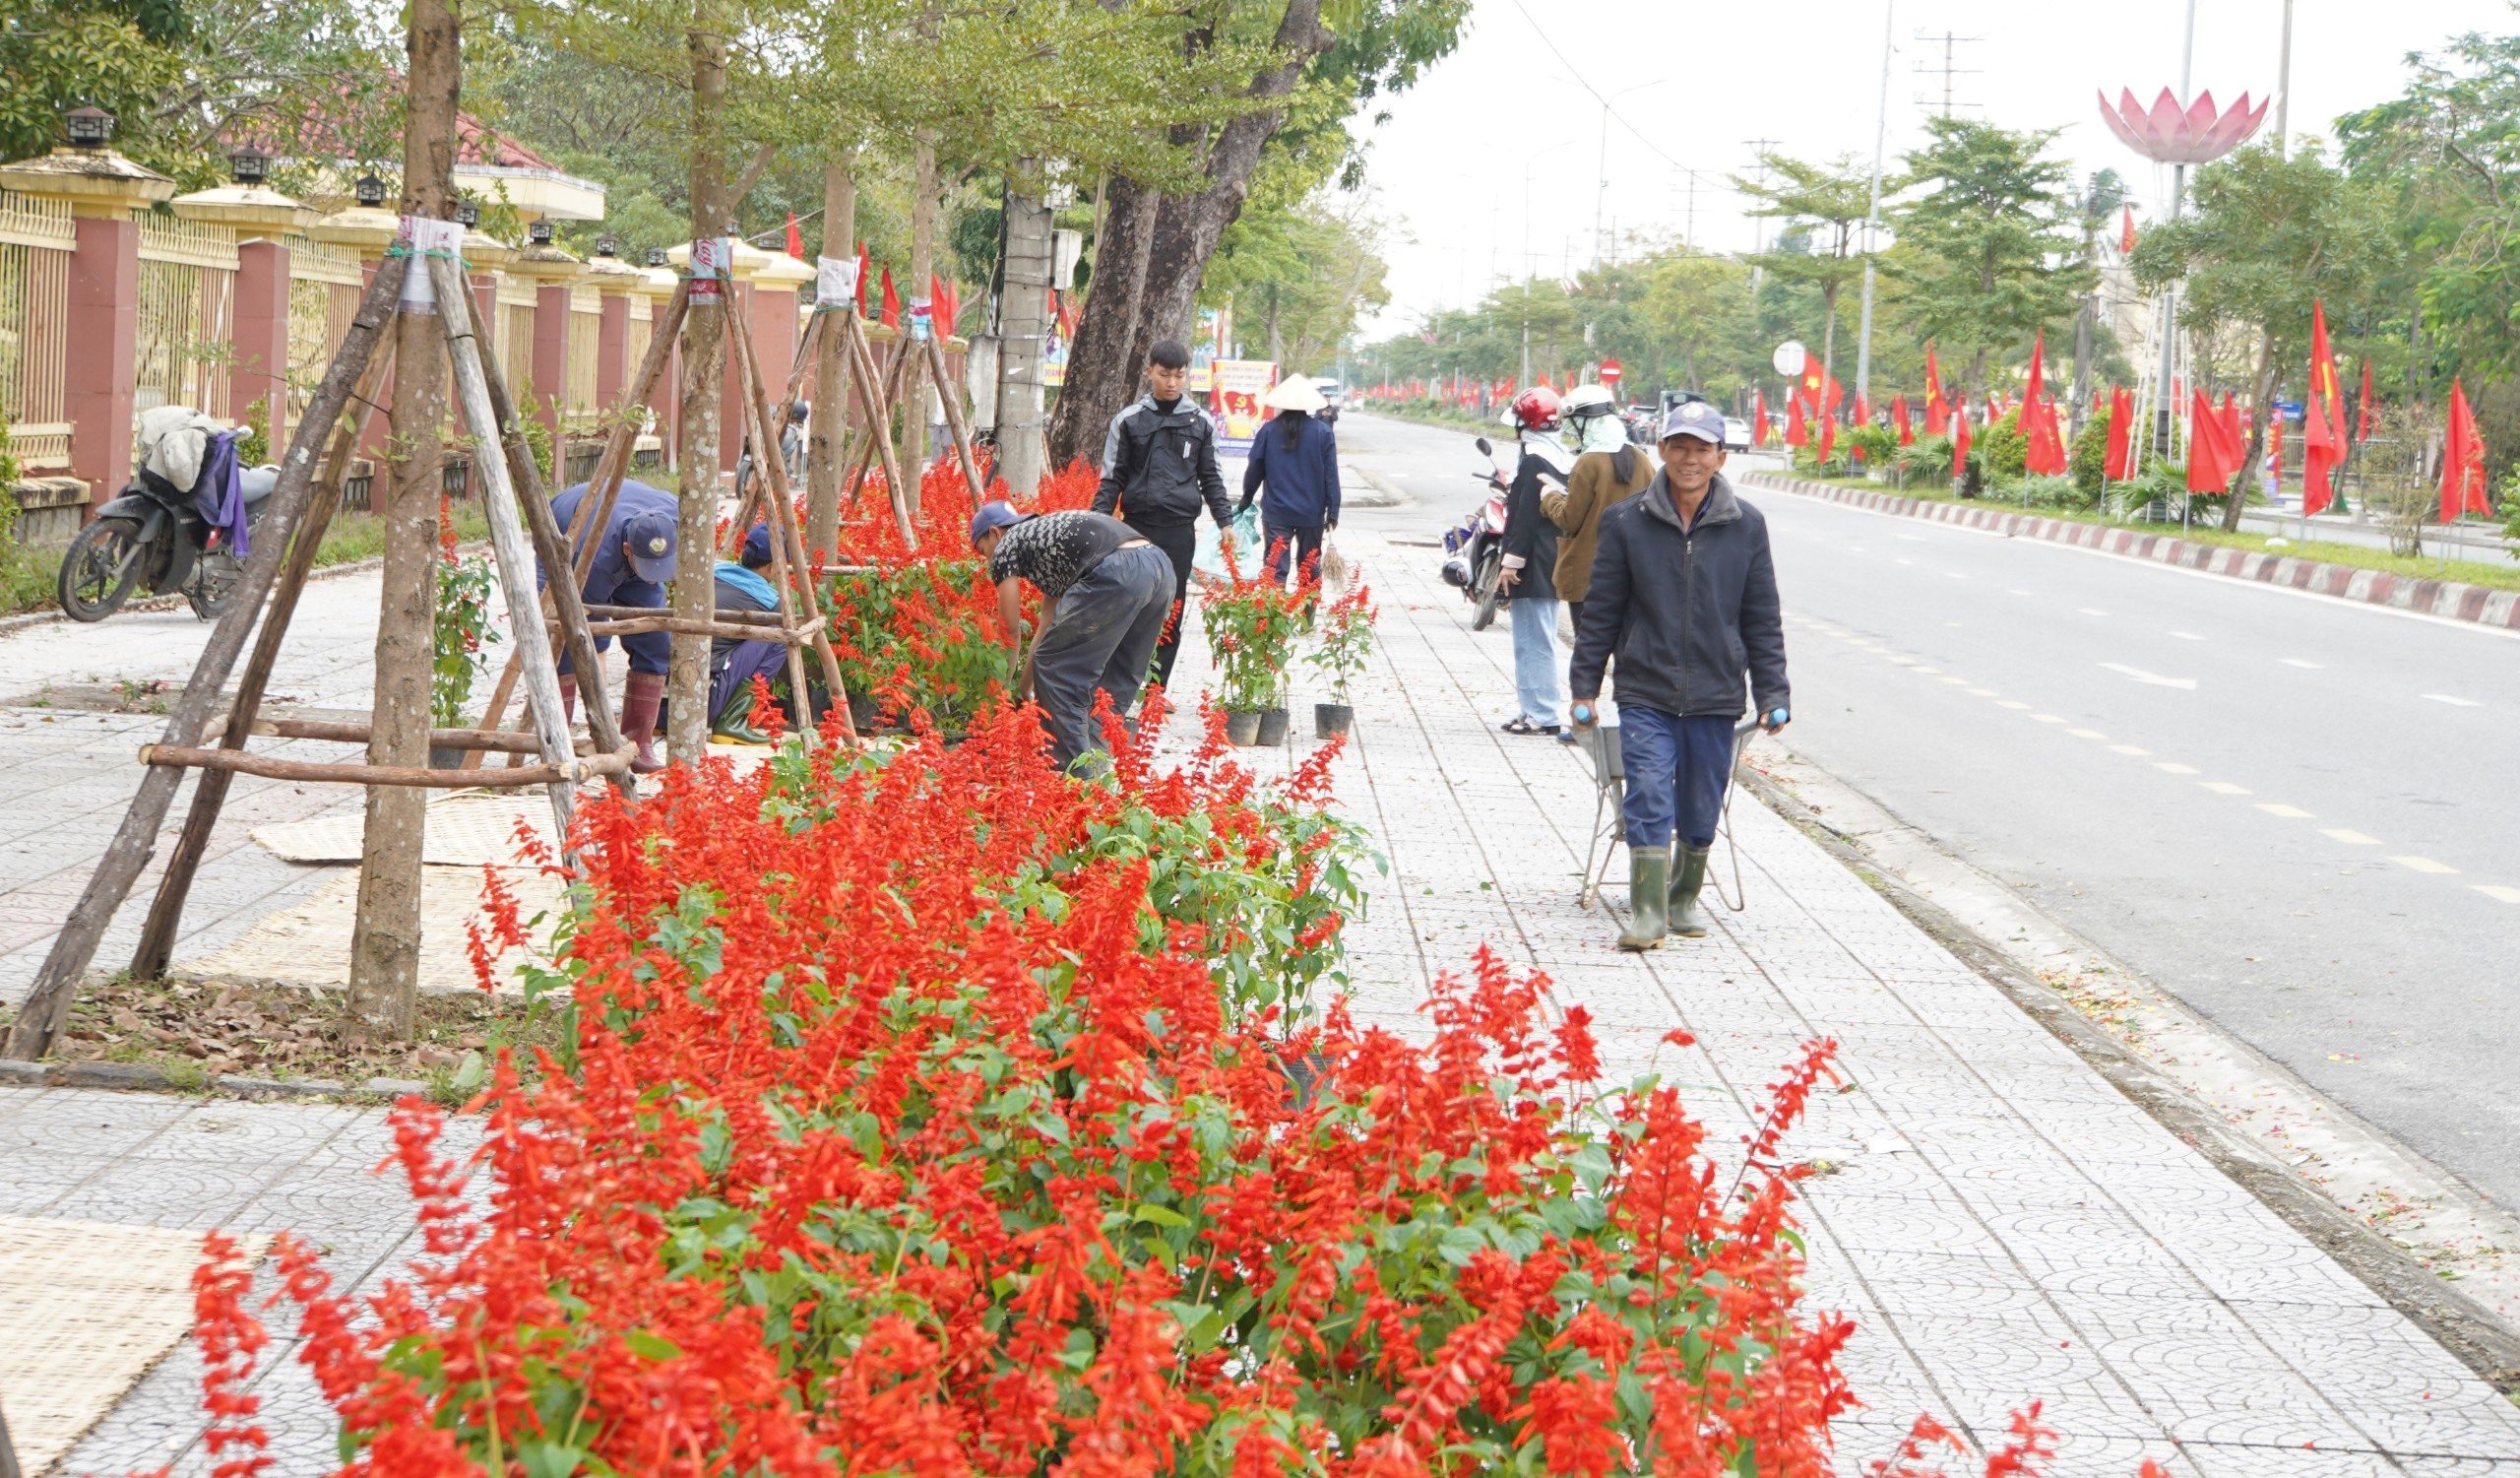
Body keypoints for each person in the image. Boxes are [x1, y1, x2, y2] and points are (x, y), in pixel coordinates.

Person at [1569, 400, 1791, 951]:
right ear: (1662, 450)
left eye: (1702, 450)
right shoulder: (1626, 521)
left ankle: (1683, 896)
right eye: (1680, 447)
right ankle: (1647, 911)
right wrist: (1584, 688)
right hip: (1646, 686)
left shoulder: (1746, 526)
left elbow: (1761, 615)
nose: (1690, 460)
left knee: (1701, 800)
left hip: (1716, 690)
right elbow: (1601, 611)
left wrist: (1772, 692)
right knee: (1647, 790)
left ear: (1720, 457)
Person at [972, 501, 1175, 773]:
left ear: (994, 533)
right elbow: (1047, 630)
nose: (987, 559)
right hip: (1158, 565)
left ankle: (1074, 775)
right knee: (1116, 674)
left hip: (1118, 569)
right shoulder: (1048, 542)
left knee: (1060, 672)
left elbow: (1010, 631)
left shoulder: (1006, 546)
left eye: (983, 551)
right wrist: (1022, 691)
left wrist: (1002, 694)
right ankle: (1095, 764)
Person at [1093, 339, 1233, 687]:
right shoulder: (1128, 421)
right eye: (1164, 374)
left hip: (1179, 531)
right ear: (1149, 372)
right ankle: (1120, 687)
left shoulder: (1201, 423)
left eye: (1179, 376)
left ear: (1187, 376)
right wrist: (1097, 524)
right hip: (1135, 530)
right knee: (1129, 604)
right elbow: (1112, 478)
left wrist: (1225, 522)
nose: (1172, 383)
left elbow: (1212, 477)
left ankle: (1157, 690)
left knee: (1172, 609)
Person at [546, 479, 678, 773]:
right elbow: (589, 636)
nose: (654, 577)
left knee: (656, 640)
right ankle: (557, 740)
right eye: (649, 568)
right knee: (566, 642)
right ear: (628, 549)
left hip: (626, 544)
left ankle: (637, 743)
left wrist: (649, 569)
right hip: (565, 533)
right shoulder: (594, 557)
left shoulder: (680, 516)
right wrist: (598, 707)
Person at [1544, 384, 1656, 636]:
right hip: (1632, 574)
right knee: (1625, 650)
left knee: (1589, 649)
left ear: (1586, 422)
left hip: (1588, 575)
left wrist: (1548, 497)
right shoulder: (1641, 458)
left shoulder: (1588, 462)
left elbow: (1569, 519)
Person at [1496, 385, 1572, 738]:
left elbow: (1524, 517)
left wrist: (1510, 563)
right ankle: (1533, 709)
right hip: (1552, 559)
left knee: (1533, 641)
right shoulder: (1562, 458)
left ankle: (1542, 712)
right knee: (1536, 638)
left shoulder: (1533, 461)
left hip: (1532, 563)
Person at [1238, 376, 1342, 587]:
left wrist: (1246, 498)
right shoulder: (1323, 432)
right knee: (1310, 570)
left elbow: (1255, 468)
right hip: (1311, 512)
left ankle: (1274, 608)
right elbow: (1331, 475)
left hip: (1277, 511)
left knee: (1275, 570)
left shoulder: (1268, 430)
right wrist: (1333, 511)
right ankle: (1308, 608)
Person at [706, 525, 789, 744]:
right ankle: (732, 720)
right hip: (705, 702)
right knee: (777, 638)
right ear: (772, 566)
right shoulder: (770, 601)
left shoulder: (712, 571)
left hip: (663, 703)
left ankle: (660, 723)